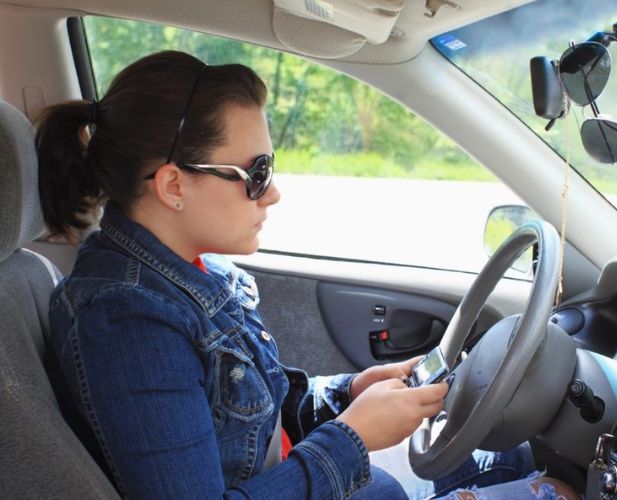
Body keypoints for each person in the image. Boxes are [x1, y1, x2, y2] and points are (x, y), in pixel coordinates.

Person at [37, 50, 577, 499]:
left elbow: (248, 417)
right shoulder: (126, 321)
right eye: (255, 173)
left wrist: (347, 393)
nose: (273, 192)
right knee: (559, 491)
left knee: (507, 453)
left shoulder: (194, 270)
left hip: (311, 476)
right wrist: (353, 436)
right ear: (173, 186)